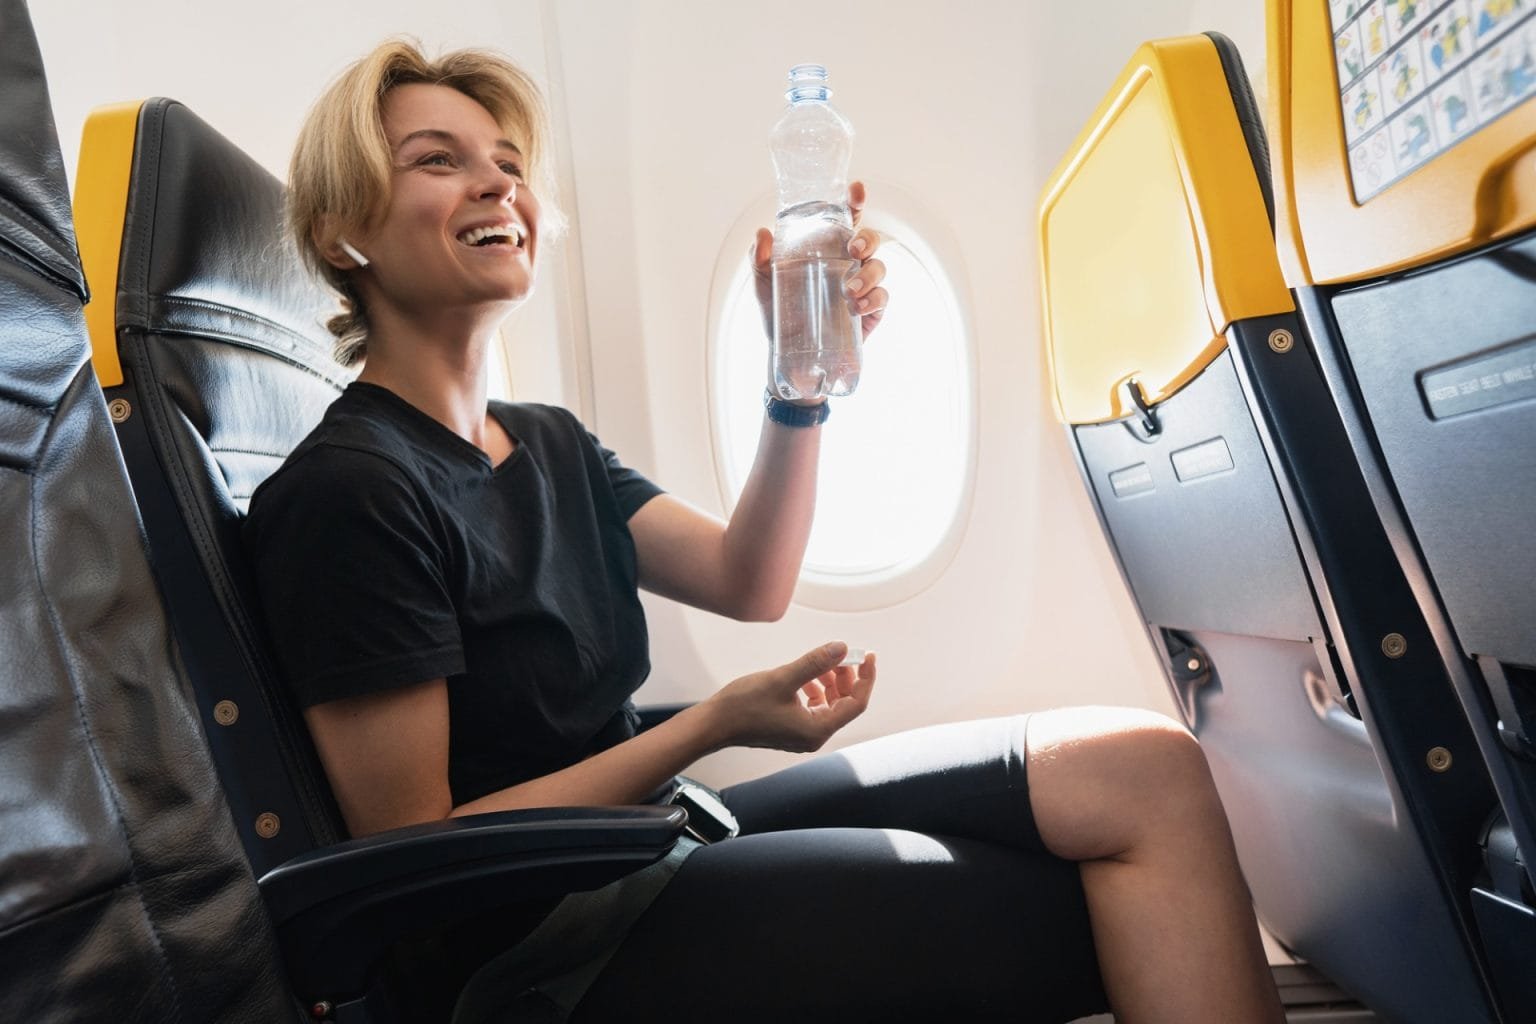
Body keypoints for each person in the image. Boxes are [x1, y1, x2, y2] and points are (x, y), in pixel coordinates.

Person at [245, 39, 1286, 1024]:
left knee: (1142, 765)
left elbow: (751, 579)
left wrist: (797, 381)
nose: (497, 185)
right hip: (543, 945)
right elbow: (417, 854)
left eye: (509, 163)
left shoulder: (545, 442)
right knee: (1100, 904)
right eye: (440, 161)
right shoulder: (351, 495)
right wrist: (710, 721)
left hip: (652, 842)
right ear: (345, 232)